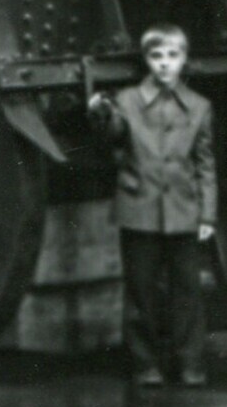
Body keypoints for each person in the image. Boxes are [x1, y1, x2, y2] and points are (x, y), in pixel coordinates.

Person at [88, 24, 217, 388]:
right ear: (146, 60)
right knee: (141, 292)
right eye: (157, 57)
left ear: (184, 60)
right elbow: (113, 134)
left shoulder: (199, 106)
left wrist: (208, 214)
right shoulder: (127, 101)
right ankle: (145, 365)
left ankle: (190, 364)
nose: (165, 65)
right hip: (139, 211)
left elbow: (206, 164)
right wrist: (101, 113)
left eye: (173, 56)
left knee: (187, 293)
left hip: (183, 213)